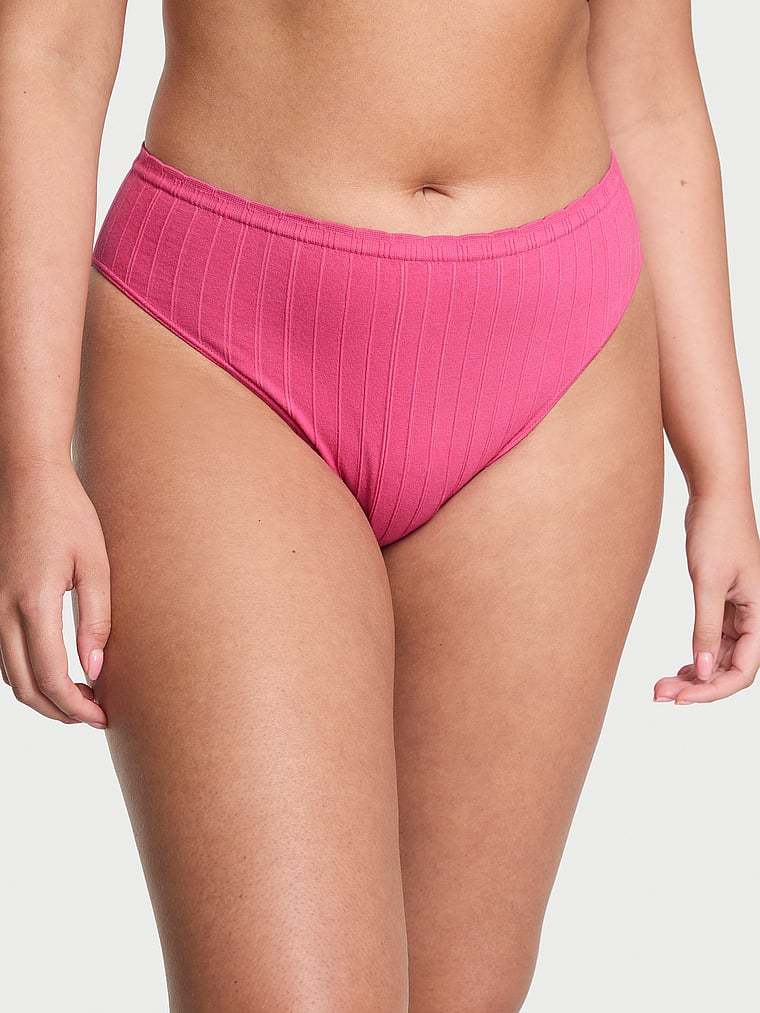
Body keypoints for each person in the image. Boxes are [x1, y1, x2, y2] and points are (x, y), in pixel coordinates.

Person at [1, 1, 758, 1009]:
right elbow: (49, 51)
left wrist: (722, 472)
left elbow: (652, 85)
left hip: (558, 368)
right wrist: (28, 460)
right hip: (221, 346)